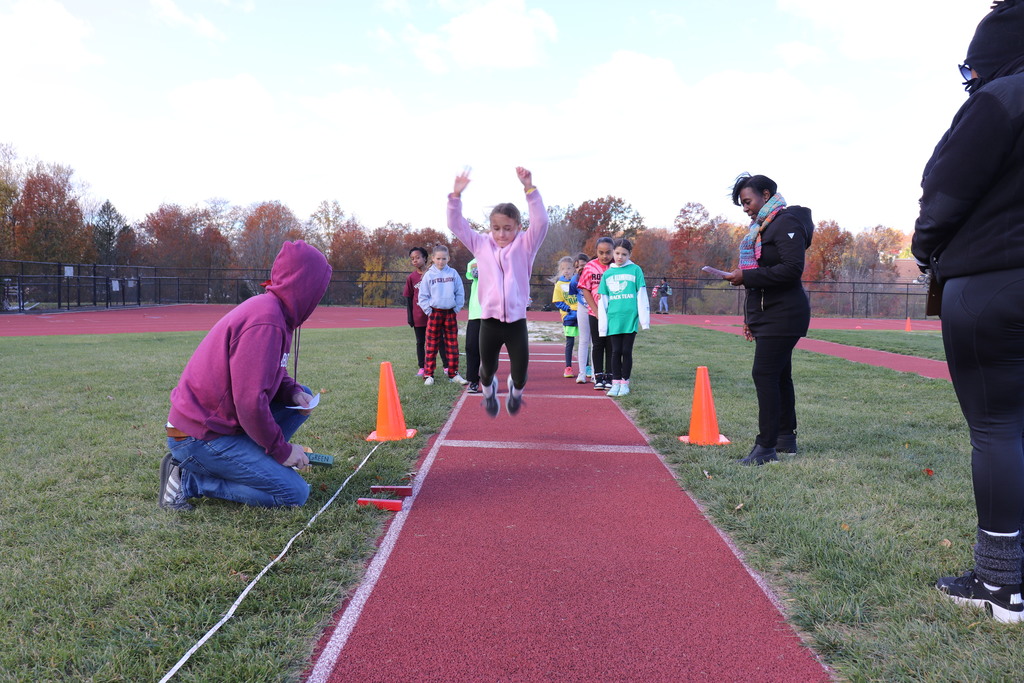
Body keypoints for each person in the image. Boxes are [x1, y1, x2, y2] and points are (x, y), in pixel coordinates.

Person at [913, 1, 1024, 624]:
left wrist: (927, 248)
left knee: (998, 427)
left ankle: (1003, 582)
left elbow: (945, 190)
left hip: (993, 277)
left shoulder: (1002, 96)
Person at [159, 240, 332, 510]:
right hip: (198, 435)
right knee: (294, 493)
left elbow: (271, 373)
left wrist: (292, 391)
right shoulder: (266, 320)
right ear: (304, 284)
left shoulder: (276, 313)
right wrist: (282, 451)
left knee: (303, 396)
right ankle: (188, 480)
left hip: (220, 425)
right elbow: (250, 402)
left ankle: (255, 462)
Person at [722, 173, 813, 466]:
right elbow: (758, 282)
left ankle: (765, 447)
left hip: (785, 313)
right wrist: (750, 317)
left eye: (747, 201)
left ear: (765, 193)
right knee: (779, 375)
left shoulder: (786, 222)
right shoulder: (759, 229)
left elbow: (791, 269)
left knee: (764, 374)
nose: (745, 207)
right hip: (767, 314)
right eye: (741, 204)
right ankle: (785, 438)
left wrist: (746, 275)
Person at [447, 166, 549, 417]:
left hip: (516, 322)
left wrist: (529, 188)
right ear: (490, 227)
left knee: (520, 374)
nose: (502, 234)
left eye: (507, 228)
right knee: (486, 370)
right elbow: (456, 225)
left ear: (517, 227)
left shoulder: (526, 244)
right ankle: (489, 392)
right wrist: (455, 197)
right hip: (489, 321)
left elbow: (542, 221)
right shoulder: (481, 244)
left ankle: (515, 393)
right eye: (496, 228)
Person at [598, 238, 650, 397]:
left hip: (630, 319)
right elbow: (603, 301)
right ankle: (615, 383)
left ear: (630, 254)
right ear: (613, 252)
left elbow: (641, 295)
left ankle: (625, 383)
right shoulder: (607, 274)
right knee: (615, 351)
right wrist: (603, 326)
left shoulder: (636, 270)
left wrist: (644, 321)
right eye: (617, 253)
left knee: (626, 351)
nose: (620, 257)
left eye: (624, 254)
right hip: (614, 319)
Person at [417, 244, 467, 386]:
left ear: (448, 258)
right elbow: (423, 296)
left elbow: (460, 292)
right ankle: (428, 375)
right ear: (433, 258)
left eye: (444, 259)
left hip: (450, 313)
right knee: (432, 345)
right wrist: (429, 311)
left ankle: (453, 373)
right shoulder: (429, 275)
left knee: (452, 344)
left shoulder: (453, 273)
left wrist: (456, 308)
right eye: (438, 258)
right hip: (435, 313)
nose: (441, 261)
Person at [403, 246, 449, 377]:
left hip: (434, 314)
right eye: (412, 259)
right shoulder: (411, 278)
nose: (415, 261)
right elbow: (408, 298)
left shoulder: (434, 274)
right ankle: (422, 367)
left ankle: (446, 366)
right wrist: (410, 317)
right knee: (420, 342)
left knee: (439, 339)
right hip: (419, 316)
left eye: (418, 257)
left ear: (425, 258)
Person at [578, 237, 615, 390]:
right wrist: (595, 309)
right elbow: (585, 288)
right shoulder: (590, 267)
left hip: (614, 313)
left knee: (612, 345)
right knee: (598, 344)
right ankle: (598, 376)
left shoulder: (617, 266)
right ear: (596, 252)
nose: (605, 256)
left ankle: (611, 375)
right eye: (601, 252)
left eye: (608, 252)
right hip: (595, 313)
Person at [552, 256, 579, 378]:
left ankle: (588, 366)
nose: (566, 270)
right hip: (569, 316)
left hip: (582, 313)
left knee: (585, 341)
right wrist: (568, 309)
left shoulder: (578, 280)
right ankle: (568, 367)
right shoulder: (559, 284)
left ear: (574, 269)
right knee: (570, 342)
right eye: (563, 268)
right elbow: (558, 301)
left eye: (569, 268)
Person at [569, 252, 593, 383]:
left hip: (594, 308)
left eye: (584, 265)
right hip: (582, 308)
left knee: (595, 341)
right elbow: (574, 292)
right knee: (583, 340)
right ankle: (582, 373)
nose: (581, 269)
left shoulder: (594, 277)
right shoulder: (574, 280)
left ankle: (595, 372)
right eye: (578, 267)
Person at [464, 258, 482, 393]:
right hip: (476, 312)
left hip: (495, 312)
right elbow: (476, 273)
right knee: (471, 346)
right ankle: (473, 380)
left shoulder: (502, 257)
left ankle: (489, 379)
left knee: (490, 350)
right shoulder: (474, 261)